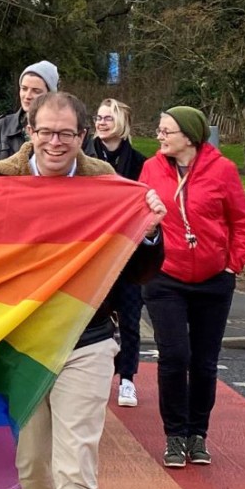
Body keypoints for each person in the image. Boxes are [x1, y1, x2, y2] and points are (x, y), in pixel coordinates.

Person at [0, 91, 165, 489]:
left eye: (66, 133)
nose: (55, 142)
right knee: (33, 461)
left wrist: (149, 229)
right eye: (46, 132)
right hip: (22, 345)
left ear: (84, 135)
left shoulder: (107, 185)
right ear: (28, 132)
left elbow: (137, 272)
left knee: (75, 465)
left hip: (87, 340)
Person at [138, 106, 245, 468]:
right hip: (165, 277)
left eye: (166, 130)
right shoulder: (151, 168)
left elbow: (241, 220)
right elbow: (138, 214)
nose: (159, 136)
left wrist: (232, 264)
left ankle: (197, 434)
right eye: (160, 129)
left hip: (213, 280)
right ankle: (174, 434)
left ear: (188, 135)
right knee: (174, 357)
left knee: (204, 363)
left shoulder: (223, 170)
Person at [84, 99, 147, 407]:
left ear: (121, 122)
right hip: (93, 252)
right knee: (86, 315)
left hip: (128, 250)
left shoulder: (138, 162)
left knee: (131, 316)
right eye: (98, 117)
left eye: (108, 118)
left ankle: (127, 378)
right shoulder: (84, 157)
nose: (102, 122)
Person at [0, 61, 58, 162]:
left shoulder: (69, 129)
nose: (27, 96)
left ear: (50, 94)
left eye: (36, 91)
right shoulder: (1, 127)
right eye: (24, 89)